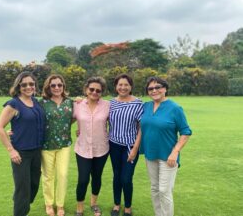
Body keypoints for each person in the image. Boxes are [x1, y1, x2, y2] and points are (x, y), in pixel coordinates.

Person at [140, 77, 192, 216]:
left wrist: (175, 152)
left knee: (164, 190)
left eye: (158, 87)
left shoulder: (175, 108)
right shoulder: (146, 106)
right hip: (150, 154)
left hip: (168, 156)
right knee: (155, 188)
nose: (154, 90)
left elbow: (186, 132)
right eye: (150, 88)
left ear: (165, 89)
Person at [0, 72, 45, 216]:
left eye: (31, 84)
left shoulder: (36, 102)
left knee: (34, 185)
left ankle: (19, 200)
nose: (28, 87)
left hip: (37, 151)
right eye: (24, 84)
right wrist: (11, 150)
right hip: (21, 154)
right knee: (23, 189)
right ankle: (20, 208)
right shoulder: (13, 104)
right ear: (18, 86)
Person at [73, 77, 110, 216]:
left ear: (102, 92)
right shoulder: (78, 104)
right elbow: (66, 121)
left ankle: (94, 204)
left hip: (101, 148)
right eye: (92, 89)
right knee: (83, 179)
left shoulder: (107, 105)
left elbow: (117, 122)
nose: (94, 92)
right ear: (86, 90)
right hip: (82, 148)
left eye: (98, 90)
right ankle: (80, 208)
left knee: (97, 177)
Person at [109, 74, 144, 216]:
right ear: (116, 86)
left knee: (126, 178)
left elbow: (141, 127)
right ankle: (117, 204)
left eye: (126, 85)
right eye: (120, 85)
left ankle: (128, 206)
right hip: (114, 145)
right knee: (117, 176)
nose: (123, 87)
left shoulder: (138, 103)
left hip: (130, 146)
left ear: (131, 87)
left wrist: (135, 148)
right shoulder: (110, 103)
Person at [40, 74, 74, 216]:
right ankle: (49, 204)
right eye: (53, 85)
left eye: (59, 85)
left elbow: (73, 118)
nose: (56, 88)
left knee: (63, 174)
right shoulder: (41, 102)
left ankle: (60, 205)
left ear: (63, 86)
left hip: (64, 144)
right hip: (46, 144)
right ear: (48, 87)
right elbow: (29, 117)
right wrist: (14, 130)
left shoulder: (70, 102)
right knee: (48, 176)